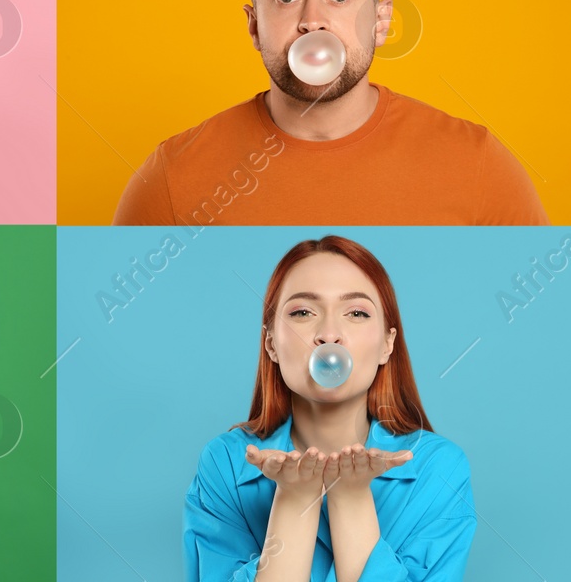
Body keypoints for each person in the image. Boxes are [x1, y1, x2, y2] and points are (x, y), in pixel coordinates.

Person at [114, 0, 545, 226]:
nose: (312, 20)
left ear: (380, 21)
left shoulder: (475, 164)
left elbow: (546, 327)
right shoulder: (173, 177)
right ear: (254, 26)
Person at [184, 236, 474, 581]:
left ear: (387, 344)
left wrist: (350, 496)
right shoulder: (226, 463)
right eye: (303, 312)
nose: (329, 334)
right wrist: (294, 499)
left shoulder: (439, 468)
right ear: (272, 344)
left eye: (356, 313)